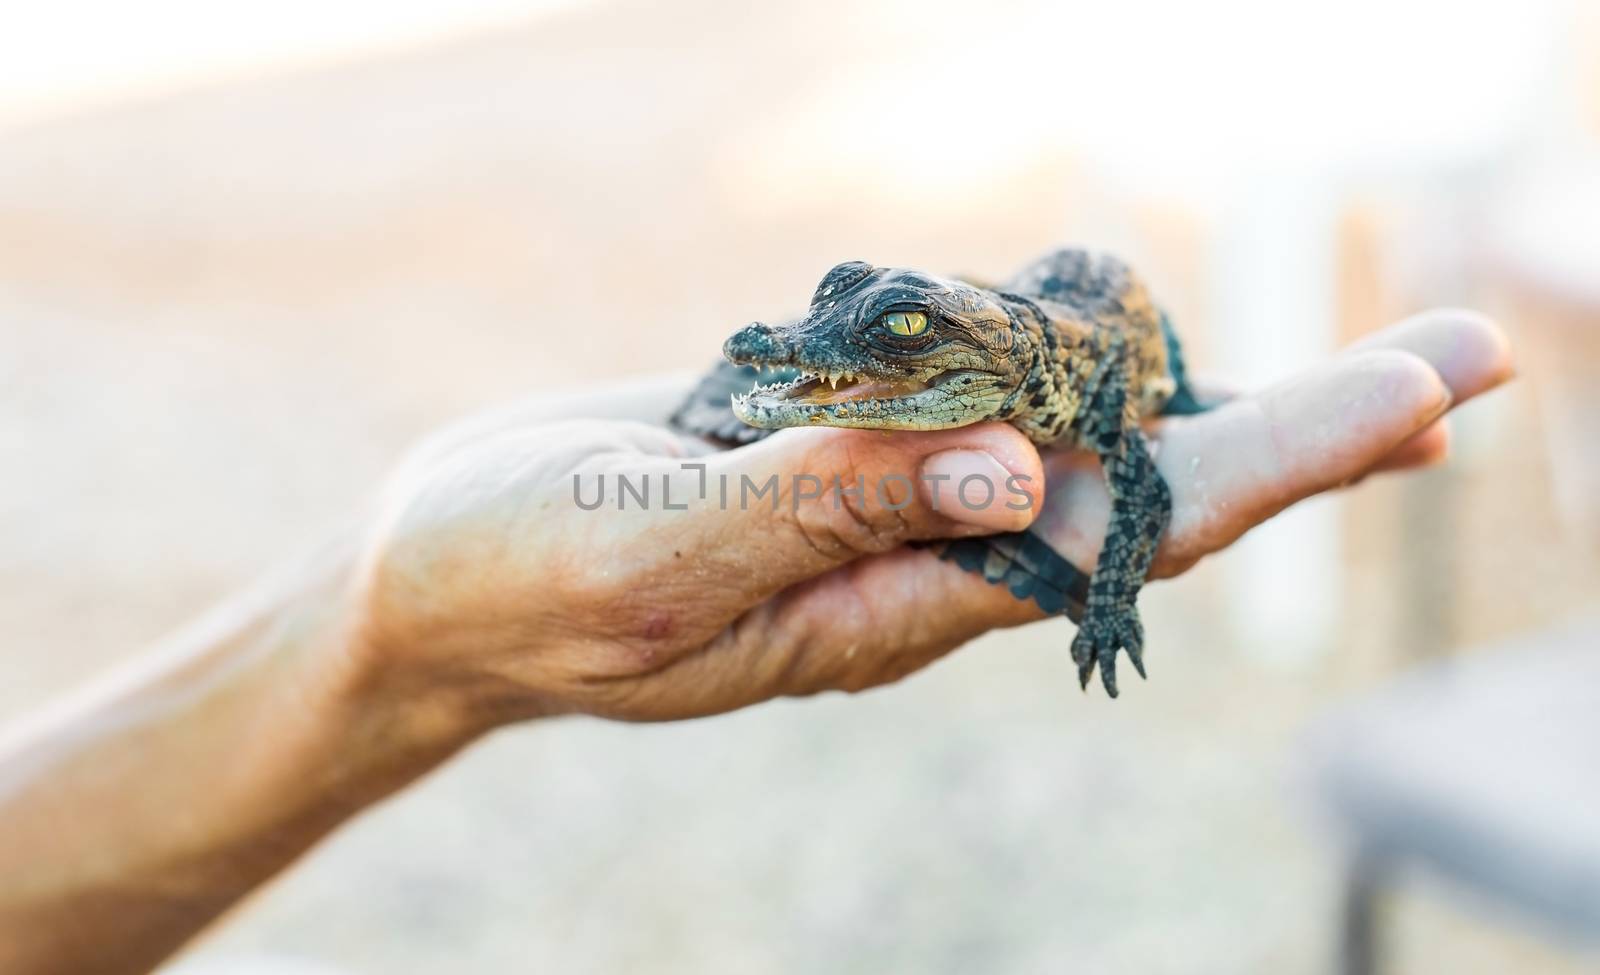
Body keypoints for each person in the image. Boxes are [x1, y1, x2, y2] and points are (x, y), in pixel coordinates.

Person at [0, 310, 1512, 974]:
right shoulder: (865, 374)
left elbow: (1136, 465)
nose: (834, 370)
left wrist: (1109, 589)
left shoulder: (1069, 386)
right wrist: (387, 633)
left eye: (898, 344)